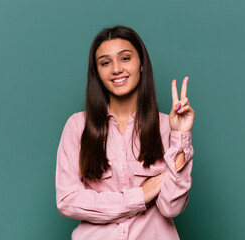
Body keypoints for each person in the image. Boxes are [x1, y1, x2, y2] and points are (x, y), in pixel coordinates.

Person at [55, 25, 195, 240]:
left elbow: (171, 208)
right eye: (105, 62)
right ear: (98, 73)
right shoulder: (77, 126)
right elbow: (68, 200)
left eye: (125, 58)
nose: (116, 69)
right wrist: (140, 195)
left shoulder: (167, 127)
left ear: (141, 65)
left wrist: (181, 138)